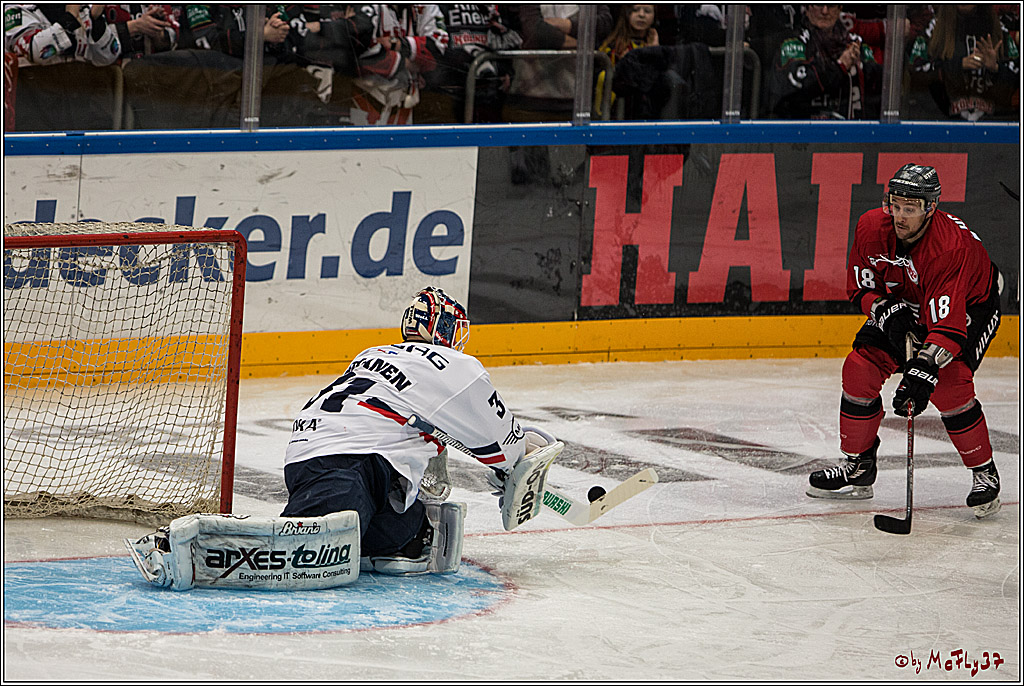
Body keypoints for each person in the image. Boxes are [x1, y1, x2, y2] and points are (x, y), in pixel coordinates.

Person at [280, 287, 542, 574]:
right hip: (348, 461)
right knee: (307, 553)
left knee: (410, 536)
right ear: (442, 329)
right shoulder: (456, 365)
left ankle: (373, 541)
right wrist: (527, 449)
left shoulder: (373, 353)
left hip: (314, 454)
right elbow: (506, 446)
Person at [807, 164, 1004, 519]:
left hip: (970, 303)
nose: (899, 216)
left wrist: (922, 369)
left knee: (948, 384)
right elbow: (862, 288)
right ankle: (858, 466)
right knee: (859, 368)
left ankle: (984, 472)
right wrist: (887, 311)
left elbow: (947, 329)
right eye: (894, 205)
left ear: (931, 208)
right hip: (909, 299)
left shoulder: (949, 248)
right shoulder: (870, 226)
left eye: (909, 209)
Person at [765, 3, 882, 120]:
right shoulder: (792, 42)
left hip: (850, 130)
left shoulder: (855, 44)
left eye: (831, 6)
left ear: (840, 8)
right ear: (808, 6)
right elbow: (797, 87)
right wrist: (840, 66)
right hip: (802, 129)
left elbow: (880, 84)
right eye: (819, 4)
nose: (825, 11)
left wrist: (860, 66)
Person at [907, 4, 1020, 122]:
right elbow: (916, 73)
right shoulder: (934, 29)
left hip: (994, 124)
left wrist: (996, 68)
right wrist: (956, 66)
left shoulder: (998, 30)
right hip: (942, 121)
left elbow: (1016, 78)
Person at [595, 4, 658, 118]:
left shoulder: (653, 43)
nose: (641, 15)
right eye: (635, 10)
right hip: (614, 111)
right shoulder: (613, 44)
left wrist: (655, 50)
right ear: (626, 13)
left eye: (647, 11)